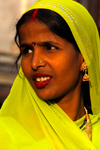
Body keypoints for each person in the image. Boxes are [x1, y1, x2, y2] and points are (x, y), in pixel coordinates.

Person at [0, 0, 100, 149]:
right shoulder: (7, 135)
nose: (35, 63)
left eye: (49, 47)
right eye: (27, 50)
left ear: (84, 56)